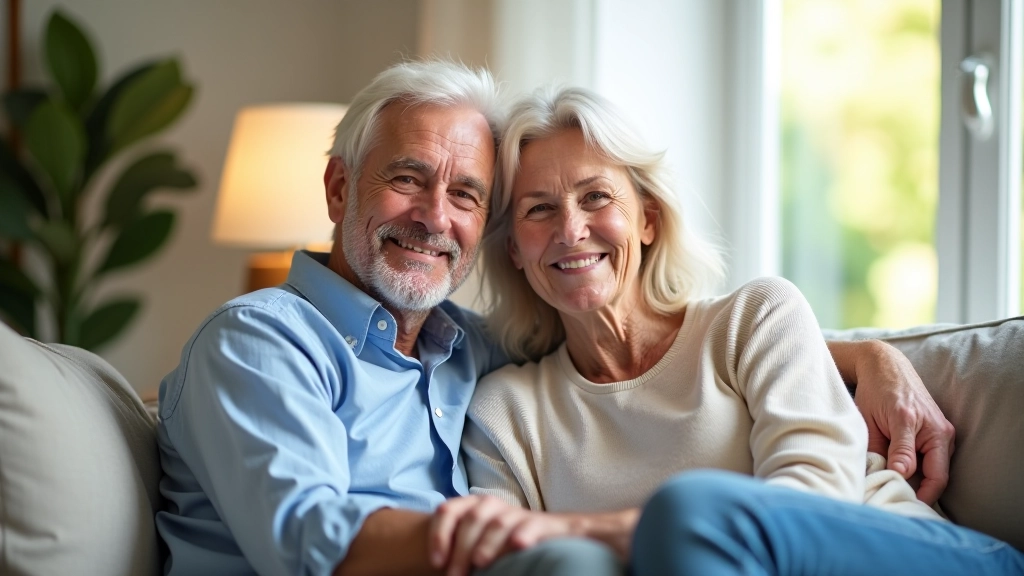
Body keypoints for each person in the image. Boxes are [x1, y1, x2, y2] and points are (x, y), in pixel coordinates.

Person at [155, 60, 955, 576]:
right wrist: (526, 539)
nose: (436, 216)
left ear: (647, 217)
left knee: (679, 519)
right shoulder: (273, 345)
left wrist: (861, 357)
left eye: (465, 193)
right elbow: (310, 542)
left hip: (892, 553)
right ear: (338, 190)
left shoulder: (462, 350)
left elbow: (797, 503)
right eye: (537, 209)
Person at [427, 86, 1024, 576]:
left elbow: (809, 506)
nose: (572, 229)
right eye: (538, 209)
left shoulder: (755, 317)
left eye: (596, 196)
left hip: (910, 555)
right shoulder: (505, 414)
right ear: (512, 252)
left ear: (649, 221)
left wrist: (603, 528)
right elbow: (507, 557)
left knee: (691, 509)